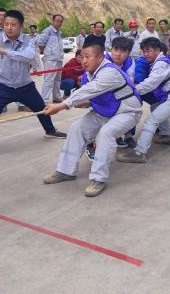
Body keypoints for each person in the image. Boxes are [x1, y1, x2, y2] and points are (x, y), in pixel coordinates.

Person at [43, 41, 142, 197]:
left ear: (100, 57)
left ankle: (98, 179)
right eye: (82, 57)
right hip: (104, 111)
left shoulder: (110, 72)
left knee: (106, 133)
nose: (84, 61)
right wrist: (86, 103)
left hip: (127, 112)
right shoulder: (88, 75)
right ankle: (65, 171)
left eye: (88, 57)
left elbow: (90, 90)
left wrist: (62, 105)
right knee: (77, 128)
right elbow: (92, 94)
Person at [0, 10, 66, 161]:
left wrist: (5, 52)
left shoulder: (27, 40)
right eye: (6, 24)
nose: (9, 27)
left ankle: (50, 130)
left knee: (41, 108)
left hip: (25, 85)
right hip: (2, 85)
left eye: (13, 24)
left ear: (20, 26)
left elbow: (28, 56)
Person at [117, 37, 170, 162]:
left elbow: (151, 83)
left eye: (148, 51)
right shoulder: (160, 61)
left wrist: (132, 91)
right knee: (155, 106)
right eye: (144, 51)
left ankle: (139, 153)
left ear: (157, 50)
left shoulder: (161, 63)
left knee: (151, 121)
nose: (145, 54)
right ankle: (167, 134)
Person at [39, 14, 65, 104]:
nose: (59, 23)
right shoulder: (47, 31)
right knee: (49, 80)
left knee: (57, 80)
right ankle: (44, 99)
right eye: (57, 21)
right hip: (50, 60)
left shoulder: (59, 33)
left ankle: (56, 97)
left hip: (59, 59)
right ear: (53, 21)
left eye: (61, 21)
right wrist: (47, 53)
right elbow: (40, 43)